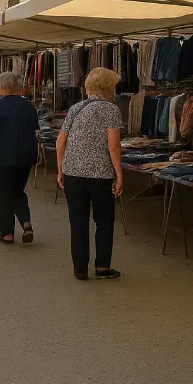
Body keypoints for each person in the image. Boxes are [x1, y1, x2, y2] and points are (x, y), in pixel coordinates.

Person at [57, 67, 123, 281]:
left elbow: (60, 141)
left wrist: (60, 168)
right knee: (104, 220)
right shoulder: (111, 110)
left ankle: (80, 269)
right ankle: (102, 267)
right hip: (100, 175)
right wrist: (119, 174)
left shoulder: (75, 108)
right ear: (108, 87)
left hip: (72, 173)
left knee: (78, 220)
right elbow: (113, 146)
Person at [0, 72, 39, 244]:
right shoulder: (29, 106)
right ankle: (26, 222)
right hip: (26, 156)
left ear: (2, 87)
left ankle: (7, 233)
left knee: (3, 194)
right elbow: (36, 131)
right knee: (18, 192)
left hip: (4, 157)